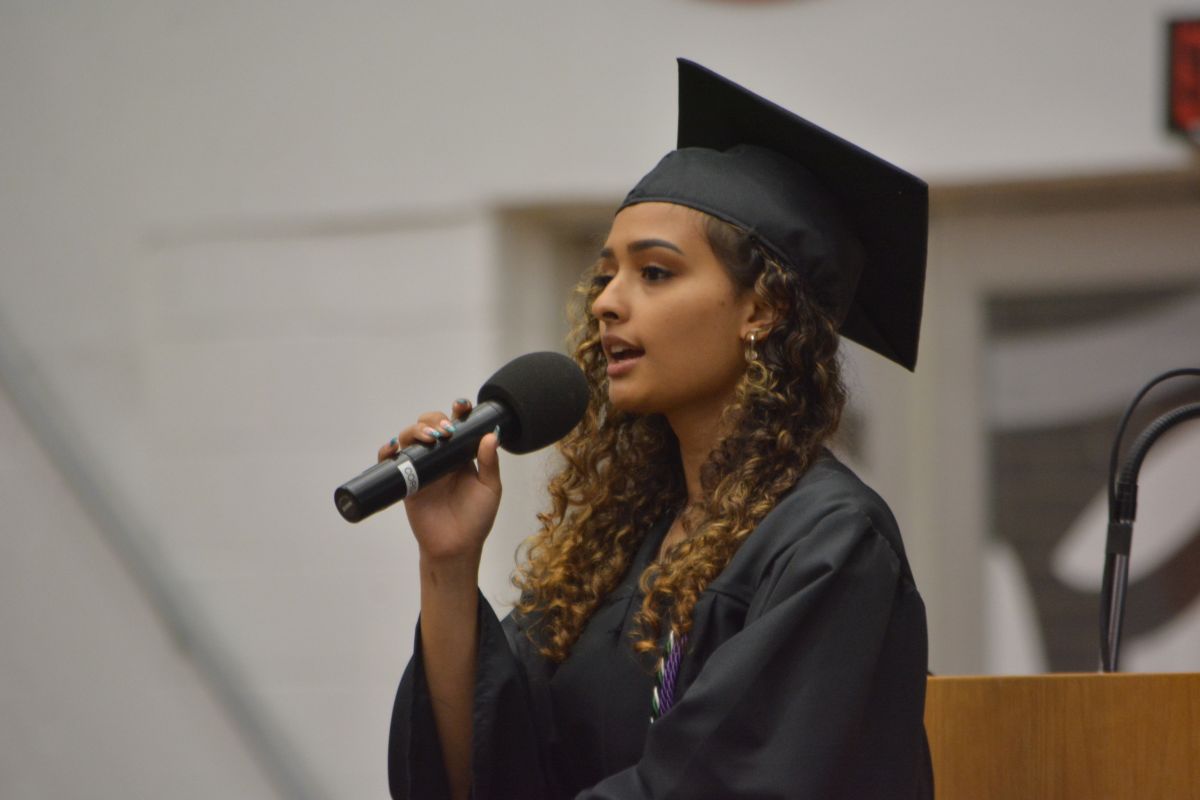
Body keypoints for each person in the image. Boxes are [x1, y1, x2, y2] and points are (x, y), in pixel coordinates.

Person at [384, 59, 933, 799]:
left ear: (762, 309)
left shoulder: (830, 544)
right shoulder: (617, 548)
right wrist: (447, 566)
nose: (606, 302)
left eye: (655, 273)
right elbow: (482, 770)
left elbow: (722, 785)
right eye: (607, 274)